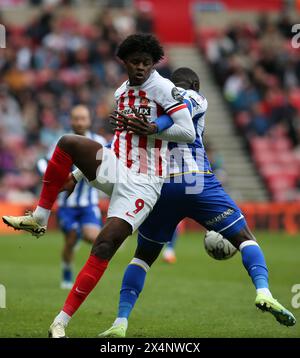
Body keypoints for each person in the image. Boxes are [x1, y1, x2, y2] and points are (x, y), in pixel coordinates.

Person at [2, 34, 196, 338]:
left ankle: (60, 322)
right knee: (67, 143)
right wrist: (77, 176)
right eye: (135, 62)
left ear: (153, 63)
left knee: (104, 245)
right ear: (125, 62)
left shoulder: (164, 89)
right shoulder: (121, 92)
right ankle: (40, 216)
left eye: (146, 62)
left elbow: (188, 131)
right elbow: (119, 141)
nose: (141, 68)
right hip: (116, 164)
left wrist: (155, 128)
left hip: (144, 184)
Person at [97, 67, 296, 338]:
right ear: (196, 84)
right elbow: (181, 109)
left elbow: (125, 142)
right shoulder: (194, 96)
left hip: (162, 185)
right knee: (246, 239)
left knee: (142, 258)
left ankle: (120, 321)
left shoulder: (154, 101)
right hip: (196, 181)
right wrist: (157, 126)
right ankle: (263, 291)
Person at [37, 105, 106, 289]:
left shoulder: (98, 141)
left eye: (83, 118)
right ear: (71, 120)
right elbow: (43, 163)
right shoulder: (62, 141)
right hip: (67, 203)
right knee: (72, 236)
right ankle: (67, 267)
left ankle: (78, 236)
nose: (79, 122)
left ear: (89, 120)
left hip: (89, 204)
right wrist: (52, 177)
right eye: (76, 118)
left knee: (95, 239)